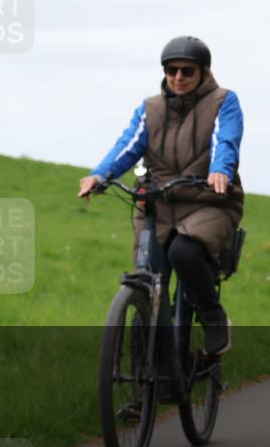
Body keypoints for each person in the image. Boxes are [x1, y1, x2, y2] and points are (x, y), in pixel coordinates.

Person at [78, 36, 243, 356]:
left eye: (186, 71)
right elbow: (127, 146)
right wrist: (100, 174)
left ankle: (213, 317)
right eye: (171, 70)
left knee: (184, 252)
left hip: (207, 201)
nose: (178, 77)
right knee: (147, 282)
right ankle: (143, 388)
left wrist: (220, 170)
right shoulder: (150, 109)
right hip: (158, 203)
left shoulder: (224, 101)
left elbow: (227, 139)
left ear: (203, 72)